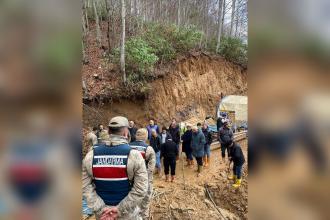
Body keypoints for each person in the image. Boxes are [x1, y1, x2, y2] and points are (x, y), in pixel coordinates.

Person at [82, 116, 148, 220]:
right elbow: (141, 189)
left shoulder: (91, 155)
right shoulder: (134, 155)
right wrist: (119, 210)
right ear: (126, 132)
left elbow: (85, 186)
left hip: (103, 215)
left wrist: (102, 209)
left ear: (108, 132)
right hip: (127, 214)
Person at [129, 128, 156, 220]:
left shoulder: (127, 147)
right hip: (143, 181)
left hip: (128, 182)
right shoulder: (148, 149)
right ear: (146, 136)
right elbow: (151, 169)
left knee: (131, 205)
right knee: (144, 204)